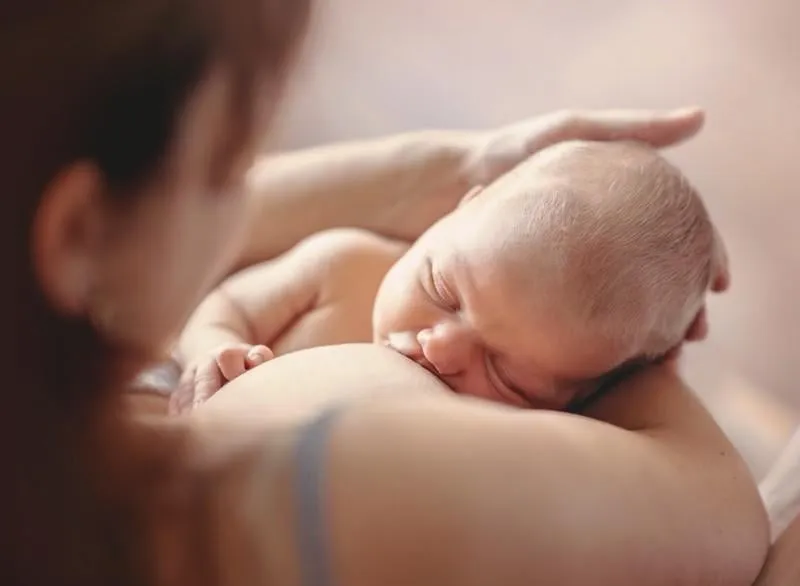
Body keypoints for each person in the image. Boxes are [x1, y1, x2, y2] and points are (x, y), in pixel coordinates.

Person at [1, 1, 769, 585]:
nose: (253, 200)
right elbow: (729, 518)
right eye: (235, 167)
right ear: (79, 235)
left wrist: (448, 180)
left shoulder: (63, 411)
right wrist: (636, 346)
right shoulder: (321, 484)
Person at [175, 139, 728, 413]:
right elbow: (228, 305)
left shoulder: (537, 434)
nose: (438, 347)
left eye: (509, 377)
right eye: (441, 289)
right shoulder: (344, 266)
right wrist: (214, 349)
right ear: (458, 210)